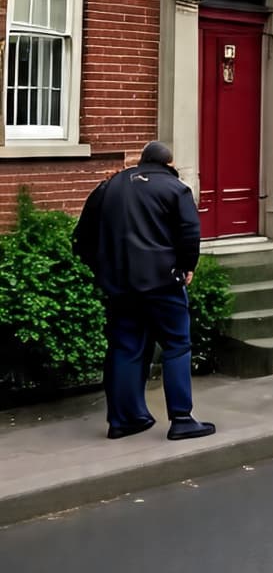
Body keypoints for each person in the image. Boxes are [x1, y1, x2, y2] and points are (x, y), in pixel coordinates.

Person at [72, 141, 215, 441]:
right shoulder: (175, 189)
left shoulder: (108, 187)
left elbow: (82, 237)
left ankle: (125, 420)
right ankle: (181, 419)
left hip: (121, 285)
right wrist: (187, 267)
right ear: (169, 163)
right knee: (177, 345)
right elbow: (190, 233)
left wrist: (102, 271)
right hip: (163, 282)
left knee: (125, 347)